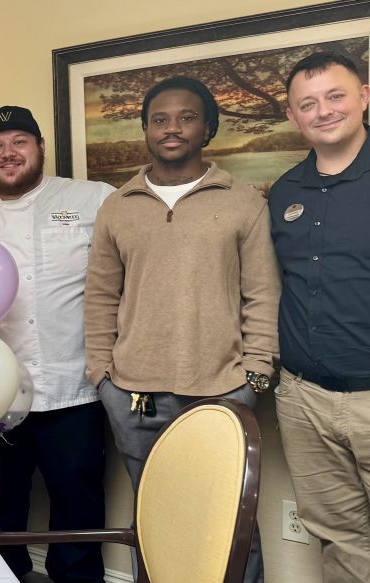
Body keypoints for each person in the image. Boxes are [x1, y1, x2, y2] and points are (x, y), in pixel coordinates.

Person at [84, 77, 279, 582]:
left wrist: (254, 376)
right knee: (152, 522)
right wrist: (102, 376)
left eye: (187, 117)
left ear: (208, 128)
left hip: (222, 391)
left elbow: (262, 295)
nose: (173, 129)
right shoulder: (117, 206)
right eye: (160, 119)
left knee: (231, 525)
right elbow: (101, 298)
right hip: (133, 396)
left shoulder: (242, 201)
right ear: (146, 129)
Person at [0, 106, 113, 583]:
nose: (8, 153)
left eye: (20, 141)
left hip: (73, 390)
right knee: (0, 516)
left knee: (78, 511)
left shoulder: (92, 200)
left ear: (40, 148)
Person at [269, 52, 370, 583]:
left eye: (335, 96)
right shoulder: (285, 191)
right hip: (305, 399)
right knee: (340, 535)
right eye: (308, 103)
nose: (323, 111)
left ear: (364, 97)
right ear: (293, 115)